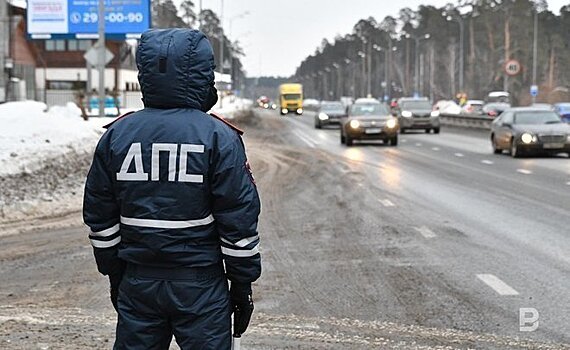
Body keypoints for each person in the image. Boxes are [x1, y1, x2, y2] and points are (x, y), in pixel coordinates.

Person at [83, 28, 261, 349]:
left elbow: (100, 212)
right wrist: (242, 283)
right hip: (201, 286)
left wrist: (113, 272)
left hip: (137, 281)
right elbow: (238, 216)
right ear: (201, 75)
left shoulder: (117, 135)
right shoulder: (218, 137)